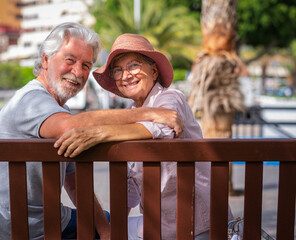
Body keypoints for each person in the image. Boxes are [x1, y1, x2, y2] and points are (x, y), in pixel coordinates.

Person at [0, 24, 184, 240]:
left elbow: (74, 185)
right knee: (126, 228)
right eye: (70, 60)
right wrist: (150, 113)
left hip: (42, 222)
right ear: (45, 60)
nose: (78, 72)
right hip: (19, 230)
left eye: (86, 65)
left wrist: (105, 230)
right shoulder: (31, 100)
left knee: (115, 226)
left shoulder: (59, 110)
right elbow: (72, 127)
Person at [54, 33, 234, 239]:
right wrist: (112, 229)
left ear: (154, 71)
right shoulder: (132, 111)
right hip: (160, 224)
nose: (125, 75)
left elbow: (164, 129)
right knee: (98, 230)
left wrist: (98, 134)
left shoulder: (170, 98)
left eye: (133, 66)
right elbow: (132, 183)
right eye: (118, 70)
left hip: (198, 224)